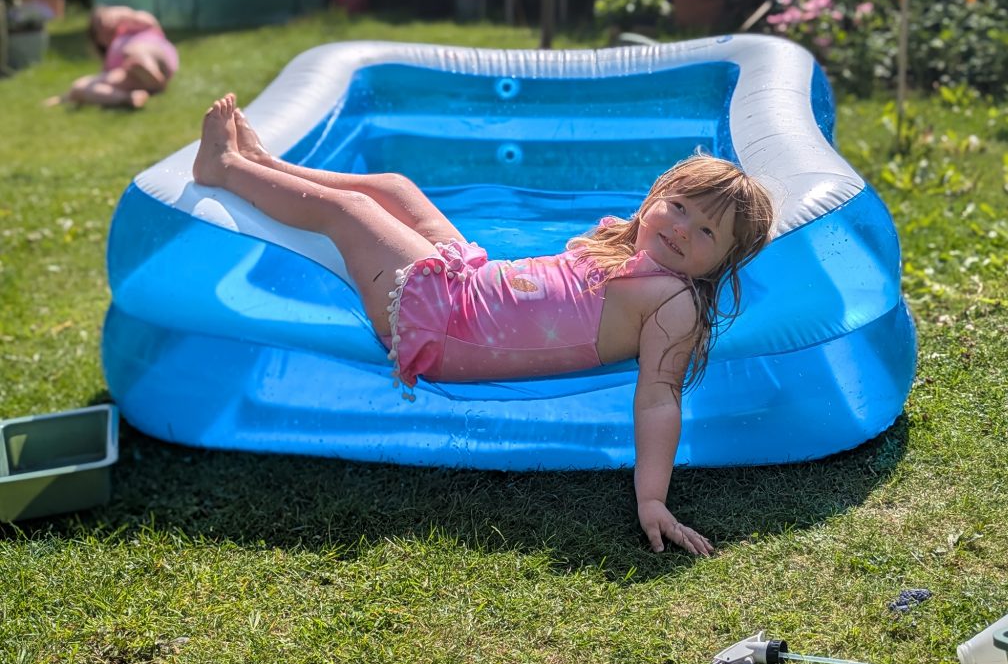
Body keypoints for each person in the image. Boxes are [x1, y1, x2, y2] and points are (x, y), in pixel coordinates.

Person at [193, 93, 775, 555]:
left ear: (723, 261)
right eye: (679, 208)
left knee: (355, 212)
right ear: (655, 197)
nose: (681, 230)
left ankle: (223, 169)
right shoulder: (627, 248)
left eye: (706, 233)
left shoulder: (674, 302)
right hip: (469, 284)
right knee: (397, 188)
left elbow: (658, 399)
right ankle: (268, 166)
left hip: (445, 324)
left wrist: (653, 498)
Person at [45, 5, 179, 109]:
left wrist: (124, 15)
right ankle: (128, 98)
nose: (105, 29)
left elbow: (150, 21)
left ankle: (152, 75)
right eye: (99, 29)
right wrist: (64, 97)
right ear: (96, 39)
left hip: (157, 55)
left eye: (105, 22)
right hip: (130, 74)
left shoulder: (132, 27)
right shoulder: (111, 55)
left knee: (134, 51)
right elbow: (105, 78)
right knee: (79, 87)